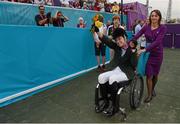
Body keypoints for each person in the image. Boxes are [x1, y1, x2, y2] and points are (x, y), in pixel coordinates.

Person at [95, 27, 137, 116]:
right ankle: (106, 103)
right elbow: (107, 40)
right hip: (115, 69)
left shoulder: (131, 48)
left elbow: (134, 64)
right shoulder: (116, 46)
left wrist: (133, 52)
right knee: (101, 77)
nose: (118, 41)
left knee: (112, 78)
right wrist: (98, 32)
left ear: (125, 38)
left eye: (120, 39)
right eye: (116, 40)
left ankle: (115, 107)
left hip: (126, 72)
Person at [132, 10, 167, 103]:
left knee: (155, 75)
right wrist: (129, 42)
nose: (154, 17)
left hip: (158, 54)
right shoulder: (146, 27)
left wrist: (144, 49)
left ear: (159, 17)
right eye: (152, 16)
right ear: (150, 17)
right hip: (148, 54)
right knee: (149, 75)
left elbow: (157, 42)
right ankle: (149, 94)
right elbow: (137, 35)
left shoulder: (163, 28)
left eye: (156, 16)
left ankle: (152, 89)